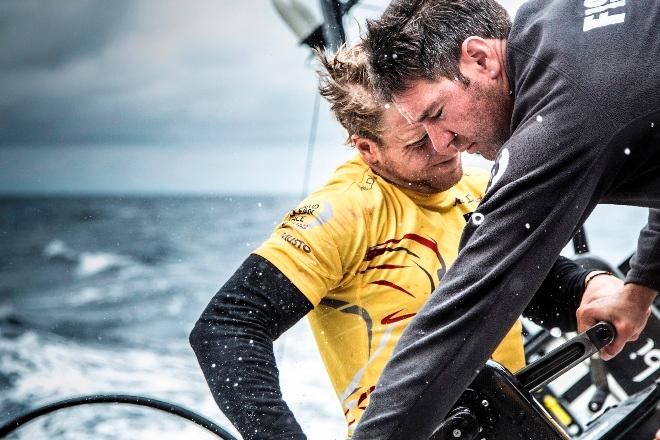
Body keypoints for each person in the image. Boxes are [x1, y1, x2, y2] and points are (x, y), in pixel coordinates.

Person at [189, 44, 601, 439]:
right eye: (418, 142)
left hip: (511, 420)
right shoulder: (345, 211)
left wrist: (592, 288)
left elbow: (538, 289)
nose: (446, 143)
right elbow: (227, 326)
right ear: (368, 149)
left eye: (439, 121)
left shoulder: (482, 188)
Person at [353, 1, 660, 438]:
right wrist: (642, 285)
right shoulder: (553, 15)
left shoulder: (561, 119)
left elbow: (458, 320)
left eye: (437, 114)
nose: (443, 144)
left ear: (480, 58)